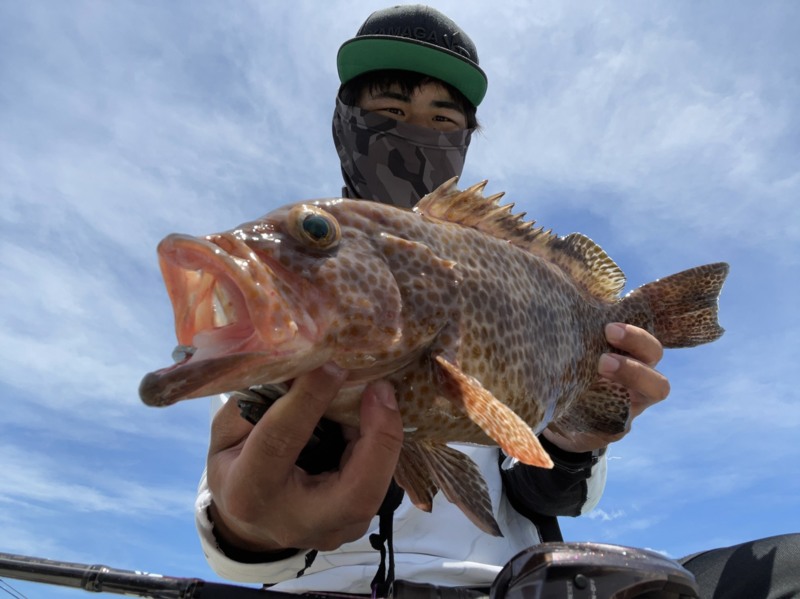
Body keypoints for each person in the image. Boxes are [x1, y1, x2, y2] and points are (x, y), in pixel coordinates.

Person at [194, 5, 799, 597]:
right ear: (345, 122)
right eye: (390, 110)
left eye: (442, 119)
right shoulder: (299, 290)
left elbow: (551, 493)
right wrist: (247, 527)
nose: (416, 132)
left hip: (512, 584)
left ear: (465, 139)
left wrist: (576, 440)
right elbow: (230, 523)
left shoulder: (501, 270)